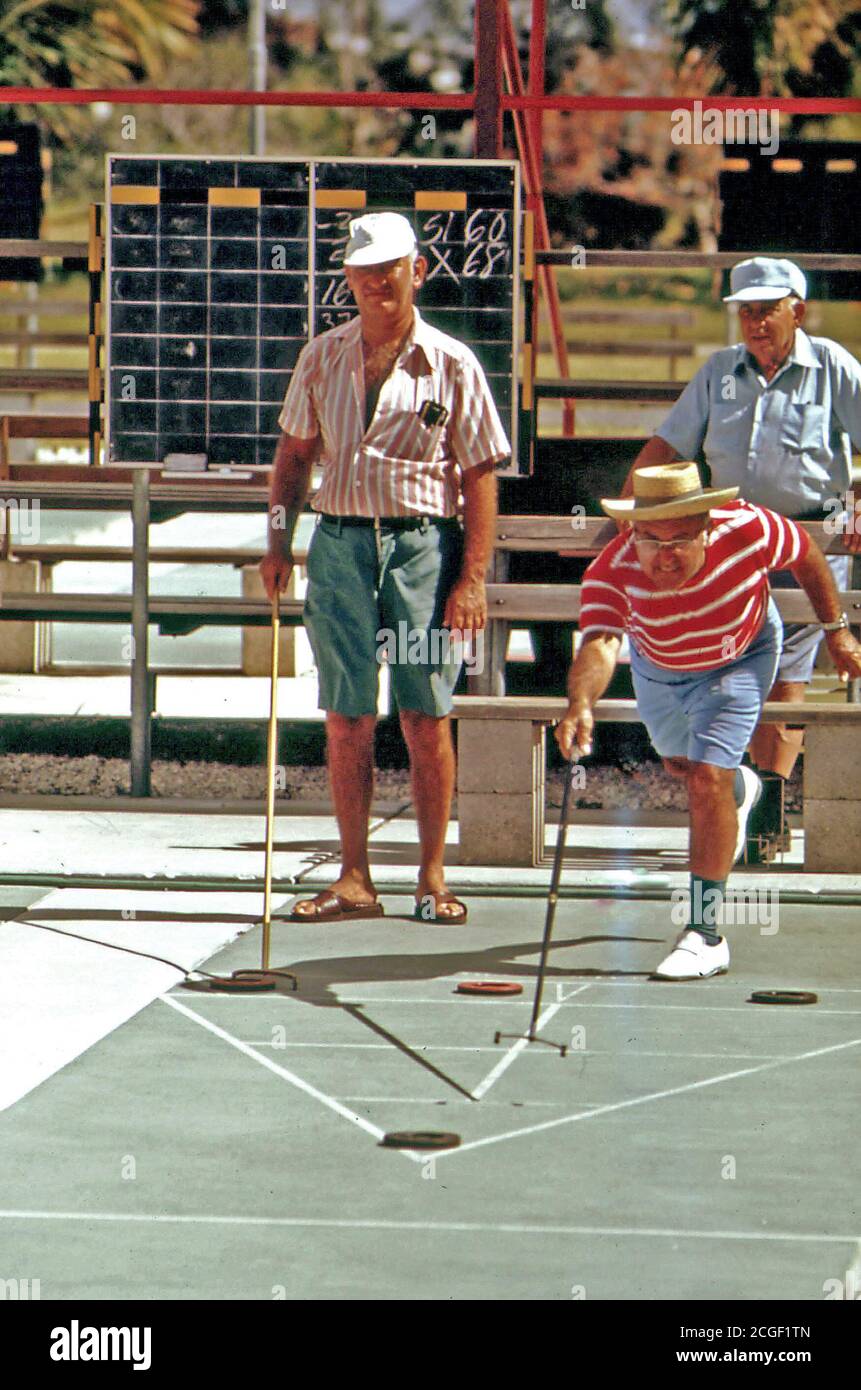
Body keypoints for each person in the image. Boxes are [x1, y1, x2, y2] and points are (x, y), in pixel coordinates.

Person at [260, 211, 510, 924]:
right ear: (348, 278)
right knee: (345, 715)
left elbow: (479, 476)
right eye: (364, 271)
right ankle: (353, 876)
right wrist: (278, 543)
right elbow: (292, 461)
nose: (376, 283)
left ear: (416, 270)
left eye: (389, 269)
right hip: (338, 544)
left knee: (425, 712)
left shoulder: (452, 363)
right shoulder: (322, 356)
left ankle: (432, 877)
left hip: (421, 551)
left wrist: (472, 578)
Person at [555, 461, 861, 980]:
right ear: (632, 531)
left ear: (707, 525)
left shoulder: (747, 527)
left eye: (679, 540)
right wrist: (581, 704)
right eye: (651, 540)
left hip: (741, 654)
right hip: (660, 667)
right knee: (684, 766)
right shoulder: (611, 568)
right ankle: (742, 789)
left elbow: (808, 554)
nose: (664, 555)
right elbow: (602, 642)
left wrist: (836, 629)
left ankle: (705, 933)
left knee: (705, 777)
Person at [622, 257, 861, 859]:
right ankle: (755, 807)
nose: (754, 322)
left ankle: (765, 818)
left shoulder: (831, 366)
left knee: (788, 681)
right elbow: (668, 443)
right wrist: (631, 513)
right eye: (746, 311)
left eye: (767, 309)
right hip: (732, 544)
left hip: (807, 541)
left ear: (796, 311)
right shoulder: (719, 371)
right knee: (741, 678)